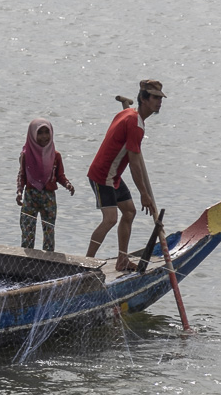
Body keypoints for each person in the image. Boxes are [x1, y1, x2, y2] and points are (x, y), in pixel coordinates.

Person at [86, 80, 165, 271]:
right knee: (110, 219)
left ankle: (122, 260)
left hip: (113, 176)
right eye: (154, 98)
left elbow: (132, 158)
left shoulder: (128, 114)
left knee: (129, 212)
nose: (159, 102)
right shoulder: (134, 124)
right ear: (144, 99)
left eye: (160, 98)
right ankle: (85, 263)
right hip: (102, 175)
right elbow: (134, 163)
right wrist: (144, 194)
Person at [14, 118, 74, 252]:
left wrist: (67, 184)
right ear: (32, 134)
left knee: (49, 231)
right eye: (40, 133)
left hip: (49, 198)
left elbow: (60, 176)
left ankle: (48, 260)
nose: (44, 137)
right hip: (30, 196)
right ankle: (27, 260)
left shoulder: (55, 155)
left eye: (47, 132)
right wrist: (19, 191)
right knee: (27, 231)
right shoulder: (26, 155)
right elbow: (22, 175)